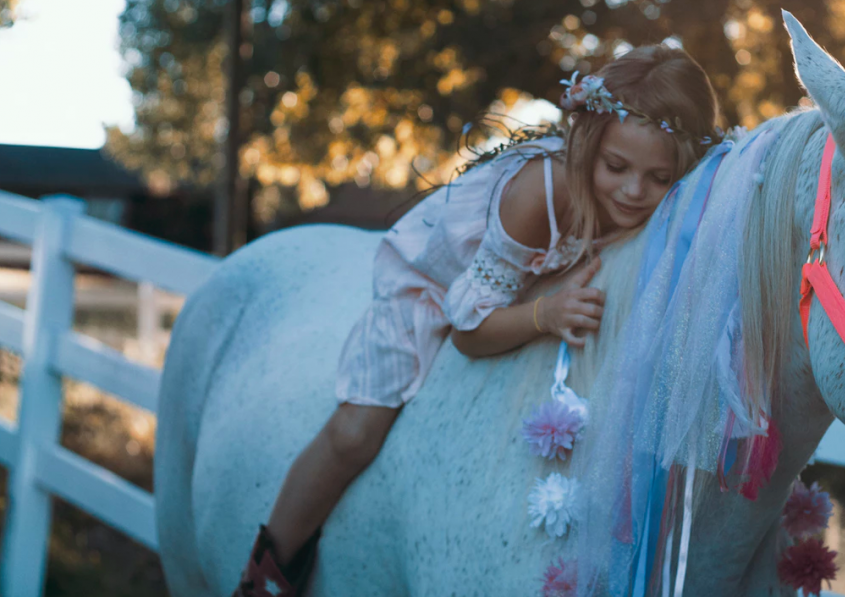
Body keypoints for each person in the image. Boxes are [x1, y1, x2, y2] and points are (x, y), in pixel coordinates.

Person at [231, 44, 720, 597]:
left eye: (659, 177)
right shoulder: (544, 193)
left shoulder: (661, 203)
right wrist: (543, 313)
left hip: (529, 276)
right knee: (356, 431)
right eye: (617, 167)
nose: (634, 191)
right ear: (589, 145)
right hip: (436, 283)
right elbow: (468, 330)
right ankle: (265, 572)